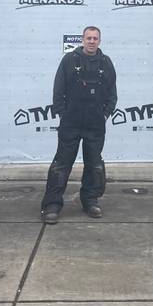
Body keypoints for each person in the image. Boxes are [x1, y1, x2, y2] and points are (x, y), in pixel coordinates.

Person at [40, 26, 117, 224]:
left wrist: (105, 115)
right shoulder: (69, 60)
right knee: (62, 164)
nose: (92, 41)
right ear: (82, 40)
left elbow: (112, 94)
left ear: (99, 41)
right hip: (71, 123)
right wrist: (62, 114)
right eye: (88, 38)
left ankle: (90, 201)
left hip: (95, 124)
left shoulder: (106, 63)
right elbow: (58, 89)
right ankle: (52, 204)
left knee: (94, 165)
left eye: (95, 38)